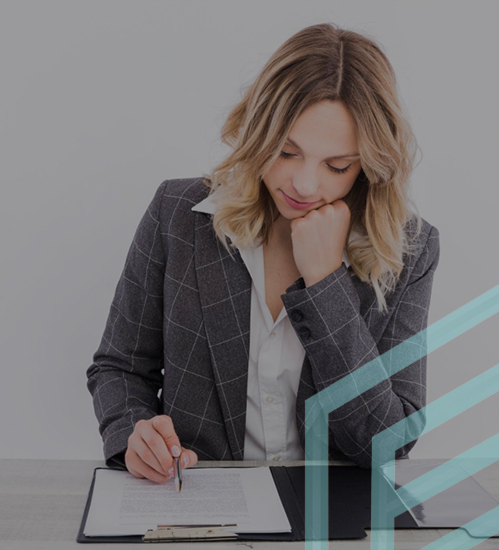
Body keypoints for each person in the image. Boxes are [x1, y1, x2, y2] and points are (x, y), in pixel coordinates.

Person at [86, 22, 440, 484]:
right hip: (199, 507)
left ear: (370, 165)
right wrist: (134, 432)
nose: (305, 184)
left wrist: (326, 281)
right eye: (287, 152)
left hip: (333, 522)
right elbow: (120, 366)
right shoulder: (178, 215)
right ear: (258, 133)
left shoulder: (409, 249)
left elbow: (386, 441)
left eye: (337, 166)